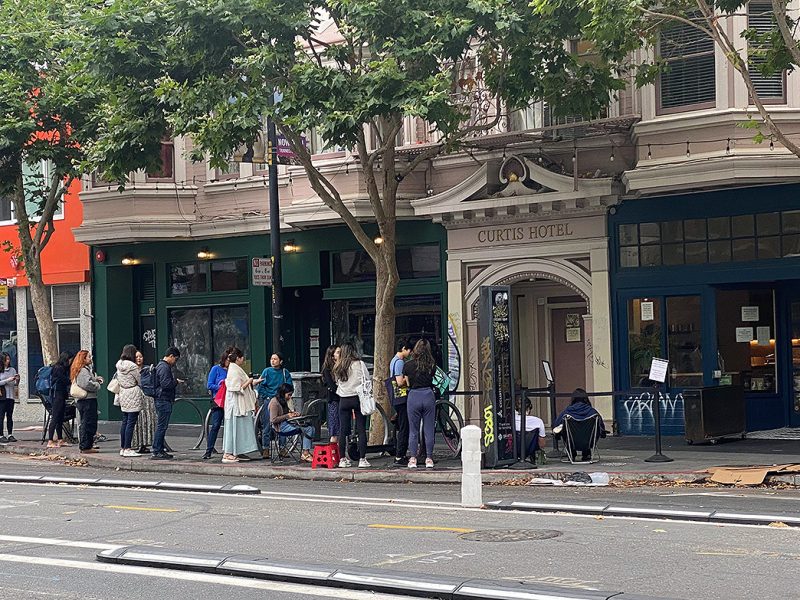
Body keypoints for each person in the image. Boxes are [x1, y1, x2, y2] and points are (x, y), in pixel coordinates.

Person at [333, 342, 370, 469]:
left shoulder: (338, 366)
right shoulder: (359, 364)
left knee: (343, 430)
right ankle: (362, 459)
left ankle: (342, 459)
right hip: (357, 398)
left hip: (343, 399)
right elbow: (367, 379)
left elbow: (337, 382)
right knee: (361, 429)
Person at [402, 339, 438, 469]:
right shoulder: (432, 364)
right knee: (429, 429)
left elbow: (408, 383)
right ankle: (429, 458)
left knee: (413, 430)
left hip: (414, 396)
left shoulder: (408, 365)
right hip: (428, 395)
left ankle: (413, 458)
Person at [222, 347, 261, 463]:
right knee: (234, 428)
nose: (243, 359)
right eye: (242, 357)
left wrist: (253, 381)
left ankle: (236, 450)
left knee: (239, 428)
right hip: (236, 405)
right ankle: (228, 453)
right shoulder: (234, 370)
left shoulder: (235, 368)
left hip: (238, 404)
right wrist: (249, 381)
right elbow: (236, 388)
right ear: (238, 358)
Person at [552, 388, 608, 462]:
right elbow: (601, 427)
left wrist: (557, 435)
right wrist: (602, 433)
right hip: (589, 442)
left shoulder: (567, 412)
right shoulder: (593, 412)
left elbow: (556, 425)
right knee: (592, 430)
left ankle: (571, 453)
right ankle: (587, 454)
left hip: (571, 442)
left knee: (564, 429)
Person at [256, 352, 292, 453]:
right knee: (267, 424)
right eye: (271, 359)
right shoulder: (266, 371)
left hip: (281, 400)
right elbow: (261, 387)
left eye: (275, 359)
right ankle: (266, 448)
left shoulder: (285, 372)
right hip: (269, 400)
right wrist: (267, 396)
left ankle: (282, 448)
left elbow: (289, 386)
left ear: (281, 361)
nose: (272, 361)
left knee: (283, 423)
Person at [269, 383, 314, 462]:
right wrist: (287, 416)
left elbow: (285, 413)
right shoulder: (274, 402)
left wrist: (293, 414)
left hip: (287, 423)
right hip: (280, 427)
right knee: (308, 429)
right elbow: (273, 419)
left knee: (311, 428)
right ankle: (305, 453)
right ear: (283, 393)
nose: (290, 397)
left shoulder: (283, 401)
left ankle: (306, 452)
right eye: (288, 395)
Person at [152, 347, 183, 460]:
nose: (175, 362)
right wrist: (175, 382)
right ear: (170, 356)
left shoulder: (161, 366)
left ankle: (158, 449)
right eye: (175, 359)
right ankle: (157, 449)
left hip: (161, 399)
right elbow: (166, 384)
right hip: (163, 399)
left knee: (161, 426)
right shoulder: (164, 367)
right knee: (162, 426)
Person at [70, 350, 103, 454]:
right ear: (83, 359)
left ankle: (87, 444)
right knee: (88, 423)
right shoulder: (83, 370)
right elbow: (86, 384)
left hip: (85, 400)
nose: (91, 358)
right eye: (89, 357)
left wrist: (95, 379)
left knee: (87, 422)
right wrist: (97, 385)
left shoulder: (83, 370)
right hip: (87, 400)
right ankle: (85, 446)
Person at [115, 344, 144, 458]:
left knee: (125, 421)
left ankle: (123, 447)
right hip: (132, 393)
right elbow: (139, 380)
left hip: (123, 393)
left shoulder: (119, 365)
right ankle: (128, 448)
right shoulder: (133, 366)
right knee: (131, 423)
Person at [204, 347, 233, 460]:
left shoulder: (232, 370)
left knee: (230, 426)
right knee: (216, 425)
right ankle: (209, 450)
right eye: (228, 360)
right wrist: (221, 387)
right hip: (219, 399)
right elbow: (209, 385)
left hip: (230, 401)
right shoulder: (216, 369)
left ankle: (229, 450)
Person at [389, 339, 412, 466]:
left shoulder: (393, 360)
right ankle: (400, 455)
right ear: (403, 348)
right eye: (408, 350)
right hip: (401, 398)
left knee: (402, 425)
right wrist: (407, 378)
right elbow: (399, 382)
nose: (409, 353)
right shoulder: (399, 362)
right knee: (404, 426)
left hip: (396, 398)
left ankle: (400, 453)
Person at [131, 351, 157, 455]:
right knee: (137, 421)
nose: (139, 359)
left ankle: (145, 444)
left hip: (147, 397)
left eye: (140, 356)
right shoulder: (131, 370)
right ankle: (135, 444)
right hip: (135, 397)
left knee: (147, 421)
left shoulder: (147, 369)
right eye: (136, 357)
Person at [47, 352, 72, 449]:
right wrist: (71, 380)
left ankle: (60, 439)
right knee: (55, 417)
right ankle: (50, 440)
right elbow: (65, 380)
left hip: (61, 395)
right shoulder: (58, 368)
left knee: (60, 418)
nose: (71, 361)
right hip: (57, 395)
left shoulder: (62, 368)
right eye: (70, 359)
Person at [320, 345, 340, 445]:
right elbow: (331, 386)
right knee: (335, 429)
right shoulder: (327, 369)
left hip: (342, 399)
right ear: (332, 356)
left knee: (342, 428)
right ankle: (334, 454)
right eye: (338, 352)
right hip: (334, 399)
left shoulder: (342, 367)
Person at [0, 352, 20, 443]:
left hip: (10, 396)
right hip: (2, 396)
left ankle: (10, 434)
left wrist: (17, 379)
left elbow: (15, 384)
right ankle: (1, 435)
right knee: (1, 416)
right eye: (6, 359)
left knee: (9, 416)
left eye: (8, 359)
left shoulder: (12, 370)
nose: (8, 361)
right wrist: (7, 380)